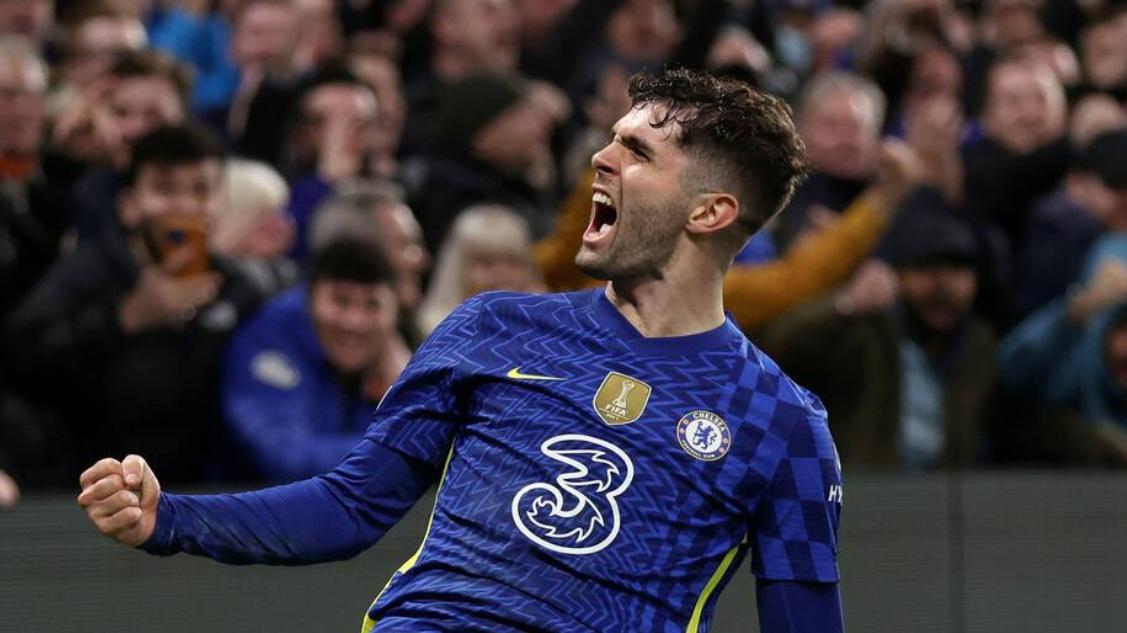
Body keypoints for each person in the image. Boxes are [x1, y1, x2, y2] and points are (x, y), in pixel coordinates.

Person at [77, 69, 844, 632]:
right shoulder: (494, 328)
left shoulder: (780, 424)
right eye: (609, 139)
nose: (600, 160)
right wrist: (169, 517)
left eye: (637, 152)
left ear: (710, 211)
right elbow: (350, 505)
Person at [7, 124, 267, 484]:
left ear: (220, 204)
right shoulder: (88, 273)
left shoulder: (239, 289)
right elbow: (19, 358)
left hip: (203, 495)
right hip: (87, 488)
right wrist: (123, 319)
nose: (185, 205)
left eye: (201, 190)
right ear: (129, 205)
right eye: (165, 188)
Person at [763, 201, 996, 468]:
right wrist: (846, 306)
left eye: (957, 269)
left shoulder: (979, 344)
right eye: (927, 268)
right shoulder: (867, 331)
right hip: (873, 491)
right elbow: (779, 349)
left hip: (950, 496)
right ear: (898, 275)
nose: (943, 285)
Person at [222, 235, 409, 483]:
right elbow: (284, 458)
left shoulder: (395, 361)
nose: (355, 322)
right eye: (341, 302)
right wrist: (405, 439)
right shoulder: (268, 344)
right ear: (309, 299)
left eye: (372, 305)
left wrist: (402, 398)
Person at [416, 204, 544, 336]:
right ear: (457, 270)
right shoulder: (433, 335)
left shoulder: (547, 332)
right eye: (487, 263)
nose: (502, 275)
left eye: (513, 262)